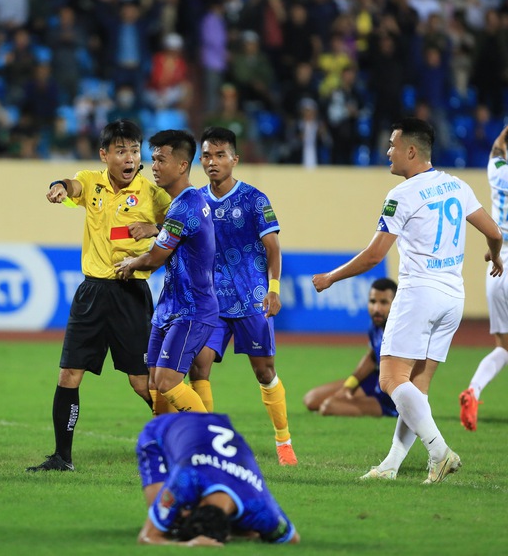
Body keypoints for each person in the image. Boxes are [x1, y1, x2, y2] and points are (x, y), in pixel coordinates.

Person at [312, 117, 503, 484]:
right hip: (453, 297)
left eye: (392, 145)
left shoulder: (401, 195)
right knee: (416, 388)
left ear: (411, 151)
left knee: (390, 379)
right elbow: (494, 232)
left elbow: (372, 256)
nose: (388, 151)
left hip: (419, 295)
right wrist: (495, 255)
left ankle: (439, 450)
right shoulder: (456, 185)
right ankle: (391, 465)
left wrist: (331, 278)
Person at [26, 119, 171, 472]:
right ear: (105, 155)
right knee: (68, 376)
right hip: (92, 292)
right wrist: (58, 186)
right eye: (121, 151)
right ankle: (63, 457)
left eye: (135, 151)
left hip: (131, 293)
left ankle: (179, 444)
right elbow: (70, 184)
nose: (130, 158)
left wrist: (156, 227)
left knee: (142, 382)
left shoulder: (153, 194)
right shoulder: (92, 182)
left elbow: (188, 225)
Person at [189, 126, 297, 466]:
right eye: (206, 155)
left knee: (264, 373)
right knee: (198, 367)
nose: (212, 161)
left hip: (252, 299)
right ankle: (208, 443)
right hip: (212, 304)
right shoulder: (196, 201)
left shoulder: (254, 199)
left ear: (234, 159)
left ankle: (283, 441)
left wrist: (274, 289)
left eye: (220, 155)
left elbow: (274, 249)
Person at [115, 129, 218, 416]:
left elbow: (155, 258)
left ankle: (211, 443)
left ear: (182, 165)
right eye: (154, 159)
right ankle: (168, 449)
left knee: (167, 381)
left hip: (191, 310)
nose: (154, 167)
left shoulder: (185, 206)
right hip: (170, 307)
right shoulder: (183, 204)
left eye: (161, 160)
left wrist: (131, 263)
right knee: (154, 383)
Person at [460, 98, 508, 435]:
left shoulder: (498, 173)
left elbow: (498, 143)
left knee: (504, 346)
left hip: (496, 271)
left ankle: (473, 391)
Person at [136, 412, 299, 546]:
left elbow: (292, 539)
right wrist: (188, 544)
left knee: (170, 518)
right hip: (160, 430)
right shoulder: (186, 479)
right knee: (167, 524)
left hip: (213, 426)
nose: (186, 512)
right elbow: (146, 537)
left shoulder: (263, 508)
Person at [303, 278, 400, 418]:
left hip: (390, 398)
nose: (376, 309)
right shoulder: (376, 327)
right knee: (311, 399)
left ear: (396, 304)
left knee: (329, 407)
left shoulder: (401, 333)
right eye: (373, 302)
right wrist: (350, 385)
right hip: (374, 381)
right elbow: (372, 357)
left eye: (383, 302)